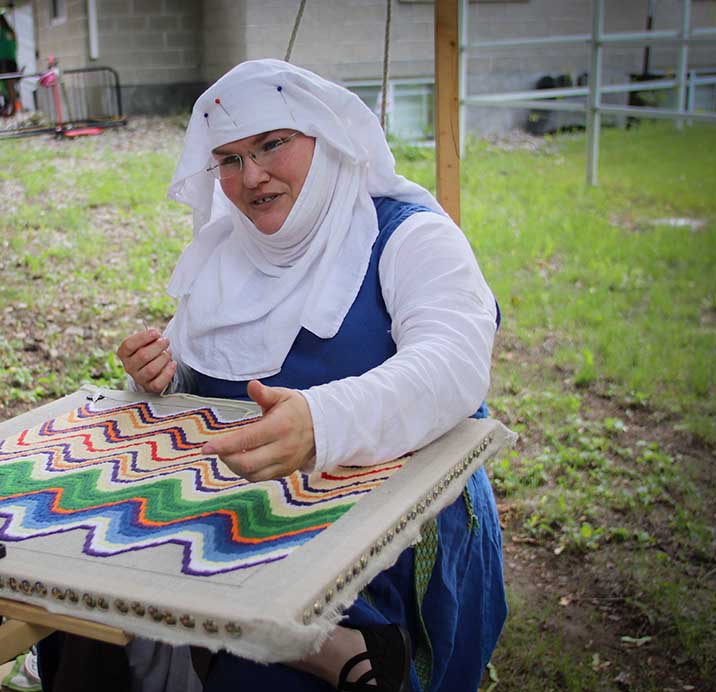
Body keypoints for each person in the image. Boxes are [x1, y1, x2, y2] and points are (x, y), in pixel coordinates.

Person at [111, 59, 507, 692]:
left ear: (328, 139)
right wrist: (169, 370)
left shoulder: (411, 238)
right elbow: (213, 372)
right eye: (230, 159)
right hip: (246, 520)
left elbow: (455, 366)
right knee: (82, 637)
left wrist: (324, 424)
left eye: (272, 144)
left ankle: (345, 647)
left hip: (391, 549)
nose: (252, 176)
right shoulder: (226, 254)